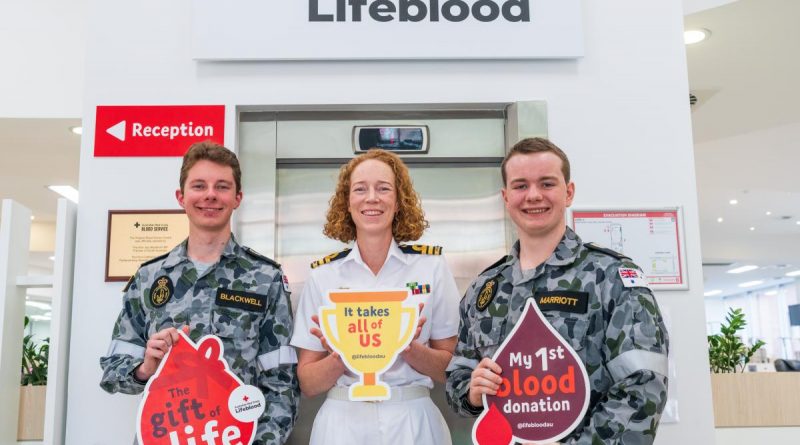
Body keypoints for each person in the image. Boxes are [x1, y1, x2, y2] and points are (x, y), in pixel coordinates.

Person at [445, 138, 669, 444]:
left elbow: (644, 389)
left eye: (547, 183)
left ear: (569, 192)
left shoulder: (611, 277)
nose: (533, 195)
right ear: (506, 196)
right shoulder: (485, 289)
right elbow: (458, 376)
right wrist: (471, 391)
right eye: (521, 185)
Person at [100, 141, 299, 444]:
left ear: (237, 198)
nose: (210, 195)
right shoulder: (149, 278)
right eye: (199, 186)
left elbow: (282, 383)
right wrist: (145, 368)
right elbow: (113, 373)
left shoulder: (265, 278)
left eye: (222, 186)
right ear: (181, 197)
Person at [290, 149, 460, 444]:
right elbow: (307, 382)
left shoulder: (431, 267)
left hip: (413, 419)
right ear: (347, 202)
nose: (372, 198)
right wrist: (346, 354)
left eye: (383, 188)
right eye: (360, 189)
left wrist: (406, 346)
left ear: (399, 201)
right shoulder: (323, 275)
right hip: (343, 422)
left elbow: (452, 370)